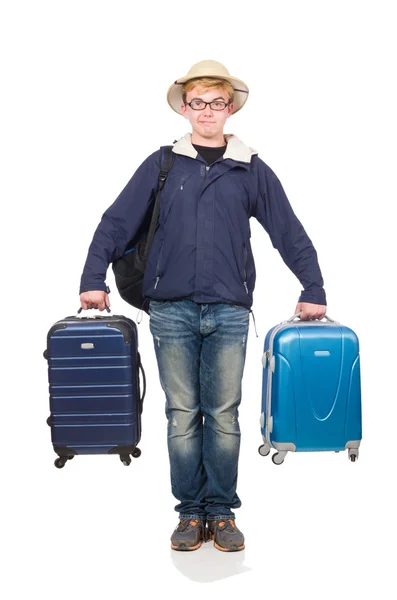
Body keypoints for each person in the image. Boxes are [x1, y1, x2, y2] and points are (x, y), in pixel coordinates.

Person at [79, 60, 327, 552]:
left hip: (230, 309)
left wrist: (313, 286)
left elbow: (288, 231)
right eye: (198, 102)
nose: (208, 111)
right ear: (186, 108)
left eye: (217, 102)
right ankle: (190, 513)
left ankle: (223, 511)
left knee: (224, 413)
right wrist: (92, 278)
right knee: (182, 413)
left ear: (229, 108)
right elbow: (115, 223)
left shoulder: (250, 168)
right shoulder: (162, 163)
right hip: (170, 309)